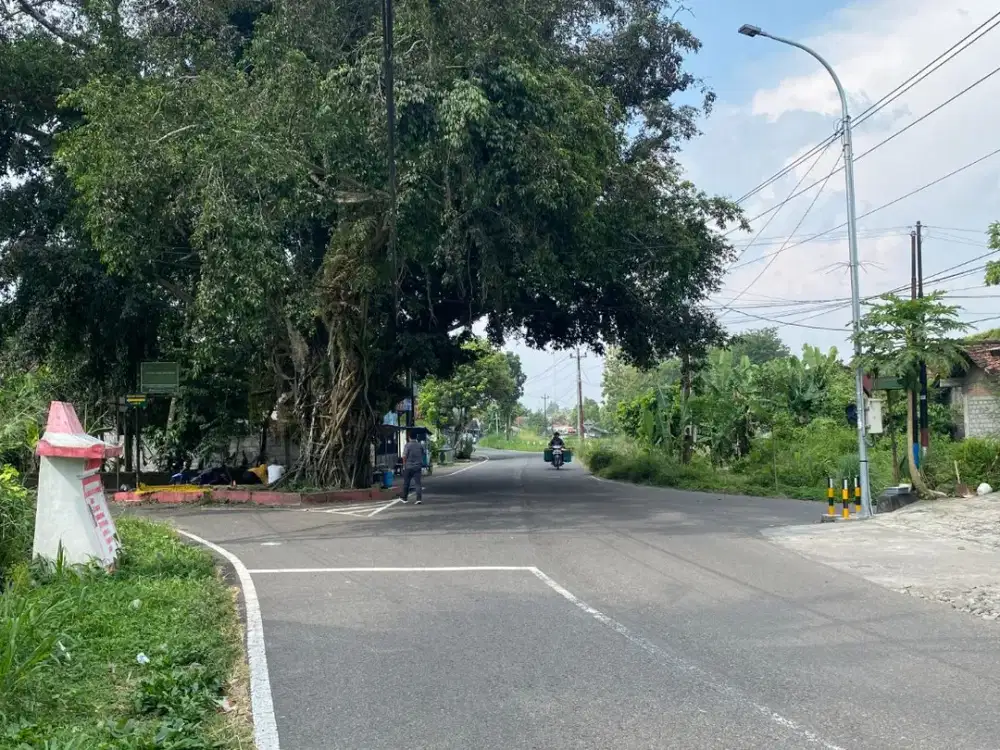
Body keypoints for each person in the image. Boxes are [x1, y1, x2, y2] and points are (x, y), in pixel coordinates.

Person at [400, 430, 426, 505]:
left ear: (409, 437)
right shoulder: (420, 445)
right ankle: (418, 499)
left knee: (406, 483)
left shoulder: (407, 445)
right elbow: (423, 454)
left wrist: (404, 465)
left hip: (408, 466)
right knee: (418, 483)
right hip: (418, 467)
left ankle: (404, 498)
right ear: (416, 437)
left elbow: (404, 456)